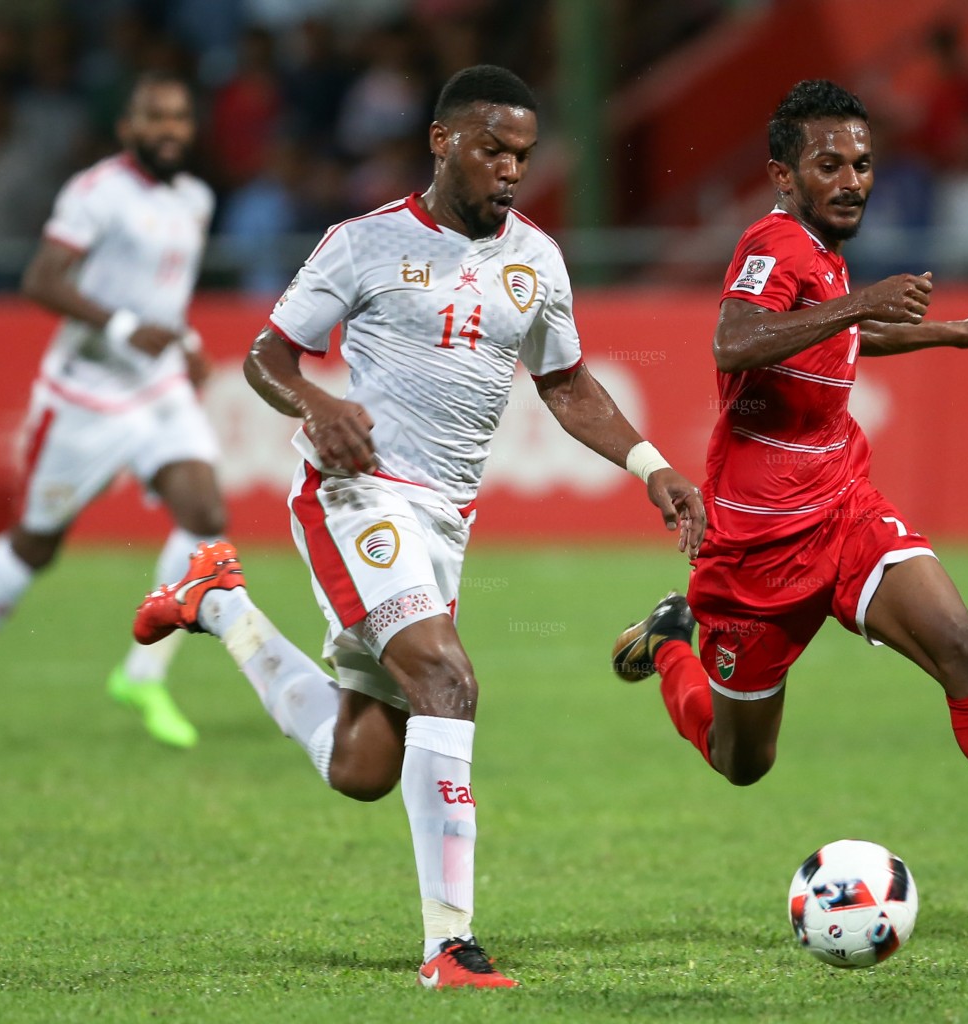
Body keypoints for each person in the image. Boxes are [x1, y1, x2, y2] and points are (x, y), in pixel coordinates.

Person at [133, 65, 705, 989]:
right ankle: (449, 945)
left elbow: (564, 383)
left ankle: (218, 605)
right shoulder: (363, 244)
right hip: (355, 495)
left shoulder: (539, 260)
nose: (512, 170)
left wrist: (653, 467)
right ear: (443, 142)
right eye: (494, 150)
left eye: (523, 154)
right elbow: (266, 355)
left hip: (443, 522)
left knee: (363, 762)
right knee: (448, 677)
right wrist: (315, 401)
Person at [611, 79, 968, 947]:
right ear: (785, 177)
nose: (852, 179)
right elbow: (734, 341)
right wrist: (861, 301)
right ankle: (672, 642)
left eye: (861, 163)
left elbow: (834, 333)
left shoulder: (822, 251)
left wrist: (952, 332)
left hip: (844, 511)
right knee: (741, 763)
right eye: (830, 164)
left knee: (965, 650)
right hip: (754, 552)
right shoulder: (773, 243)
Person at [0, 72, 223, 758]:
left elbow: (165, 294)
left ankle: (142, 674)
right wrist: (123, 328)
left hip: (157, 390)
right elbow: (42, 279)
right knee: (38, 544)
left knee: (204, 516)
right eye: (155, 116)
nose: (170, 129)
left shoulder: (196, 199)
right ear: (127, 128)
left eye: (180, 116)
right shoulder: (97, 193)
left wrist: (185, 341)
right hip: (86, 395)